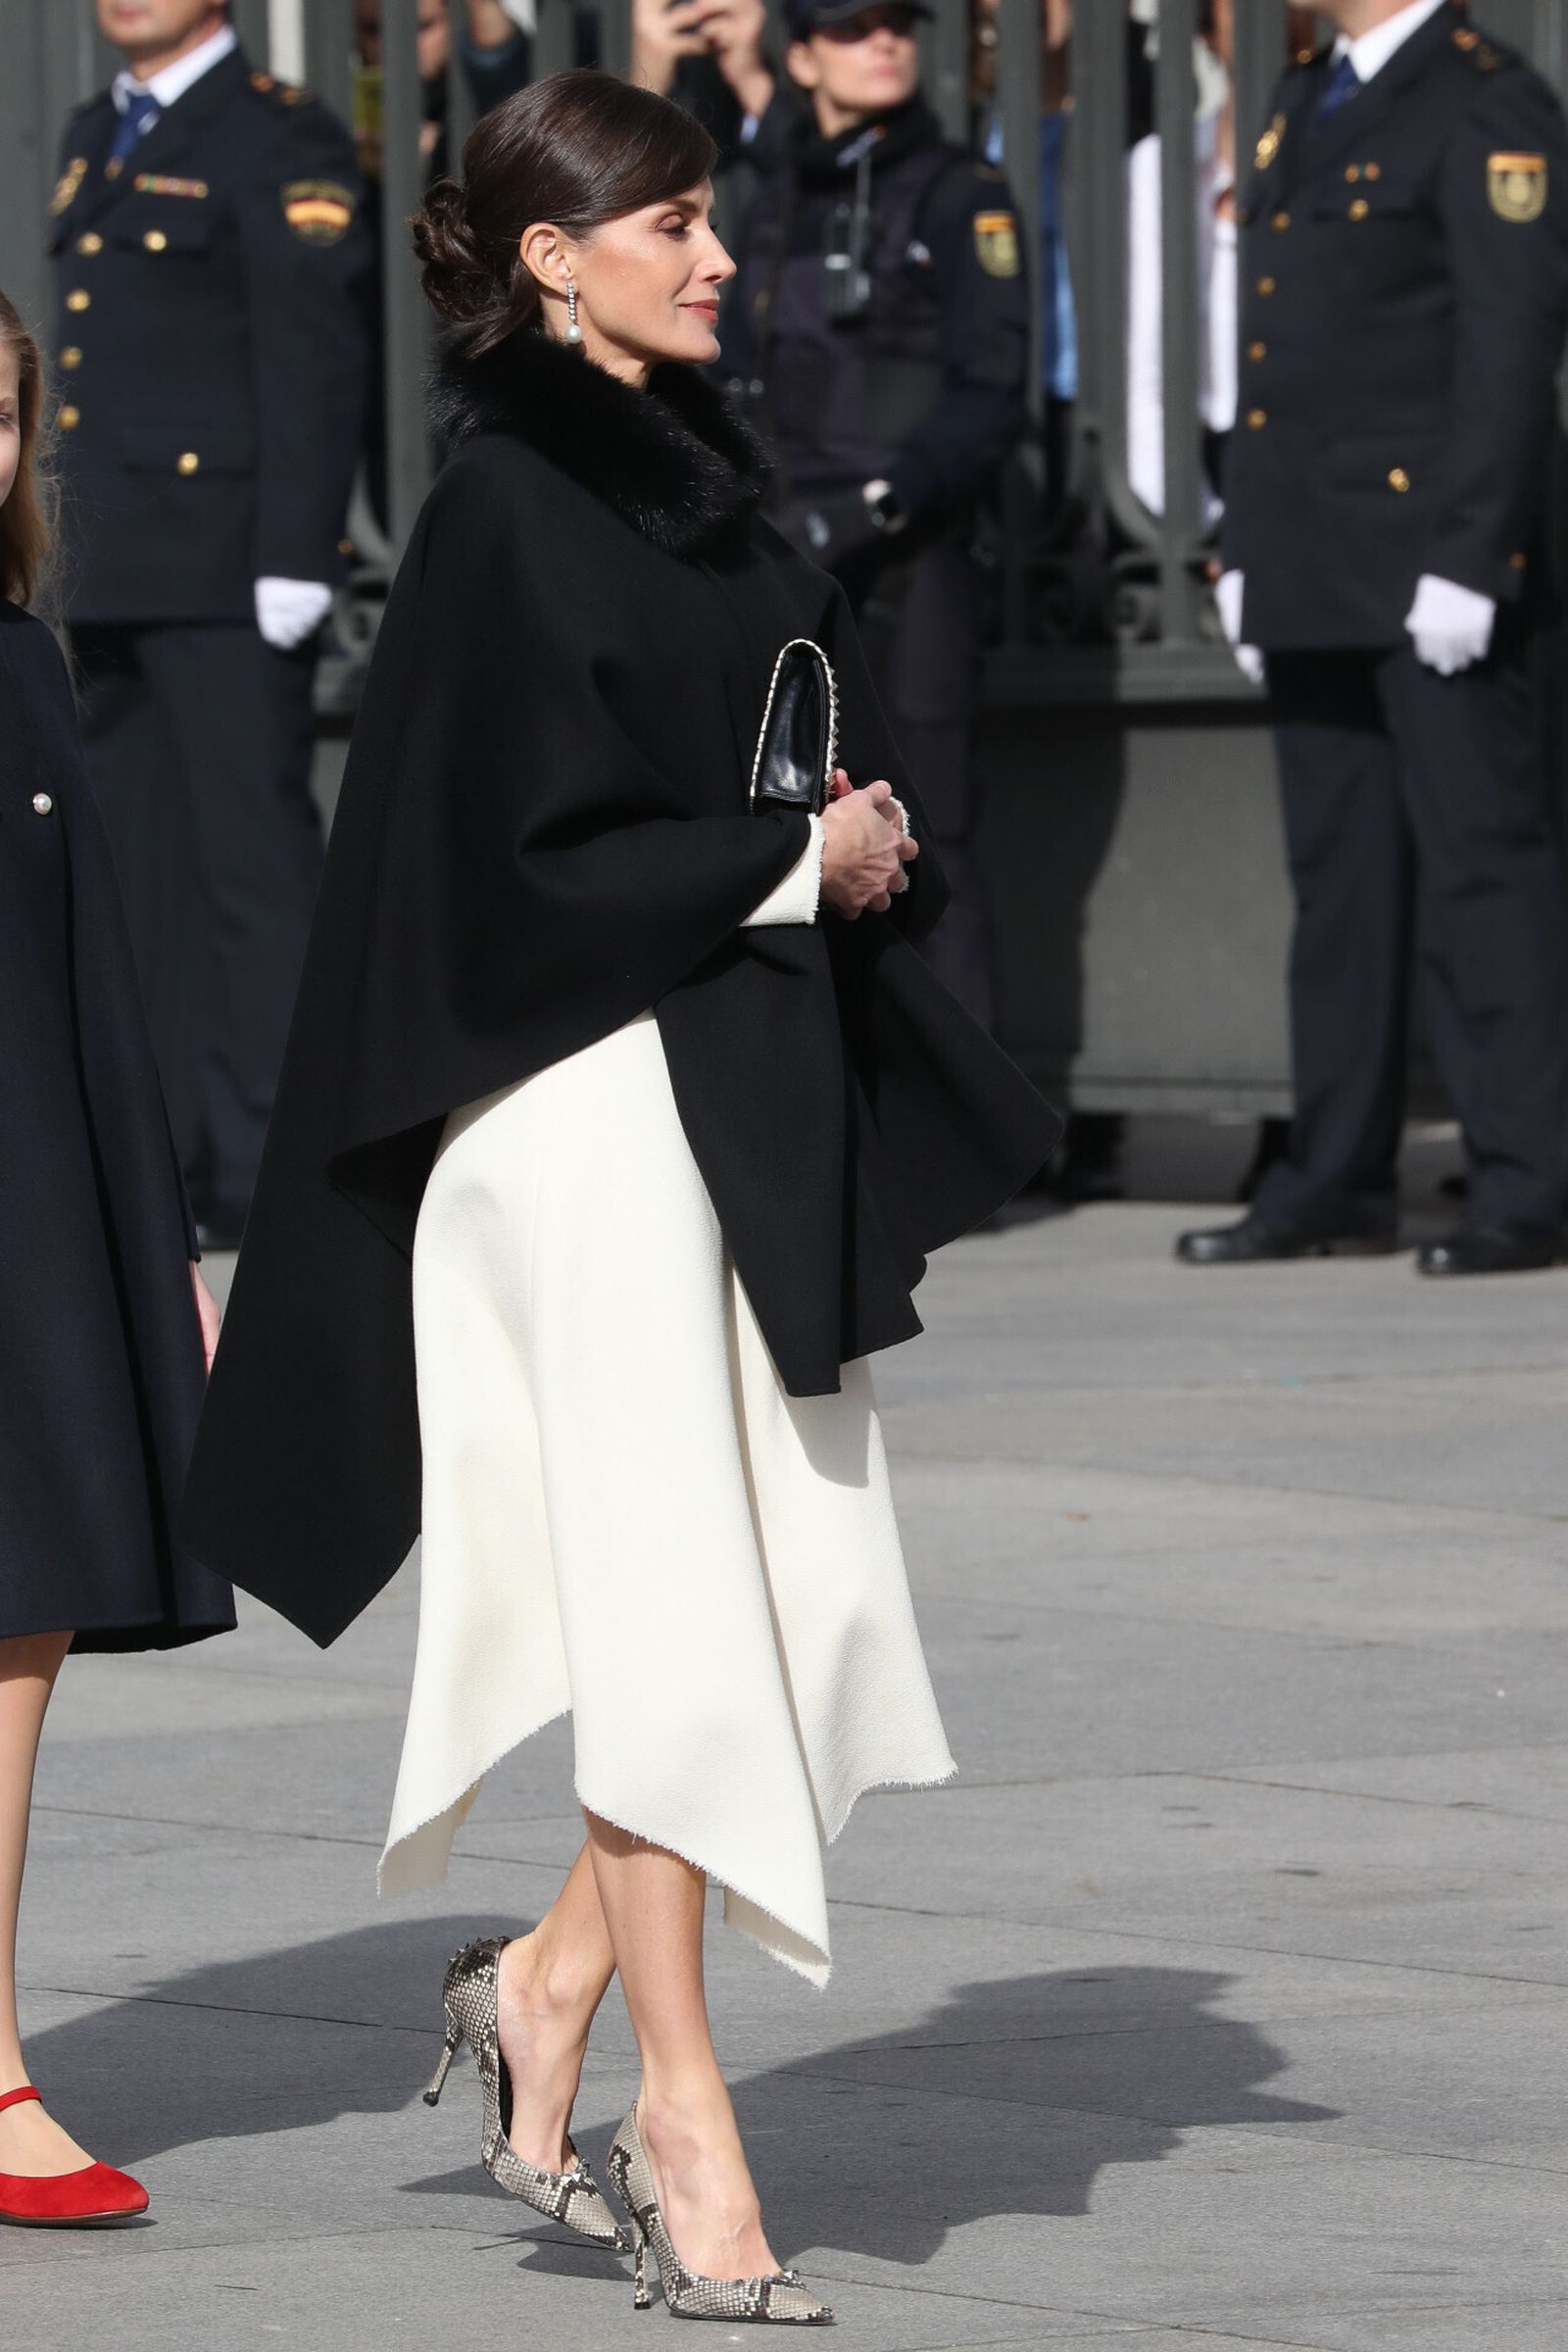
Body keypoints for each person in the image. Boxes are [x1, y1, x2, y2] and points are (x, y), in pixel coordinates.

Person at [181, 70, 1058, 2317]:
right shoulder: (503, 508)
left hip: (729, 1098)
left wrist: (828, 832)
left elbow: (714, 772)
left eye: (702, 214)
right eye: (656, 223)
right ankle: (692, 2121)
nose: (707, 249)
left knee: (779, 1610)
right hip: (577, 1131)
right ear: (548, 262)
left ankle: (549, 1981)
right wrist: (787, 853)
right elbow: (502, 871)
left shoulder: (711, 483)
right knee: (677, 1623)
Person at [1184, 0, 1568, 1276]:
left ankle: (1528, 1178)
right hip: (1310, 555)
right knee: (1339, 889)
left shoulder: (1485, 97)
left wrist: (1473, 554)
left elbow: (1510, 345)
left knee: (1480, 872)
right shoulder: (1313, 91)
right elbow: (1277, 342)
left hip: (1427, 561)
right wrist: (1245, 536)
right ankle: (1336, 1178)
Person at [0, 289, 233, 2229]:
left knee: (22, 1616)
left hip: (31, 1202)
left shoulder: (20, 661)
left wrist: (152, 1259)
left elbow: (88, 986)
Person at [51, 0, 372, 1249]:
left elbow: (314, 355)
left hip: (232, 565)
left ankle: (276, 1158)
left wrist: (297, 552)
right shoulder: (98, 130)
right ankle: (170, 1156)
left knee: (250, 871)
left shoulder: (272, 135)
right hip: (118, 563)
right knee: (134, 873)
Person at [725, 0, 1029, 1033]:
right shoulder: (767, 195)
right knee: (786, 833)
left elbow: (989, 392)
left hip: (909, 561)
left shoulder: (958, 189)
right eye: (854, 26)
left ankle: (964, 1147)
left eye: (898, 21)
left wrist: (873, 507)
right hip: (780, 562)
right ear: (802, 55)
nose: (885, 41)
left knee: (921, 835)